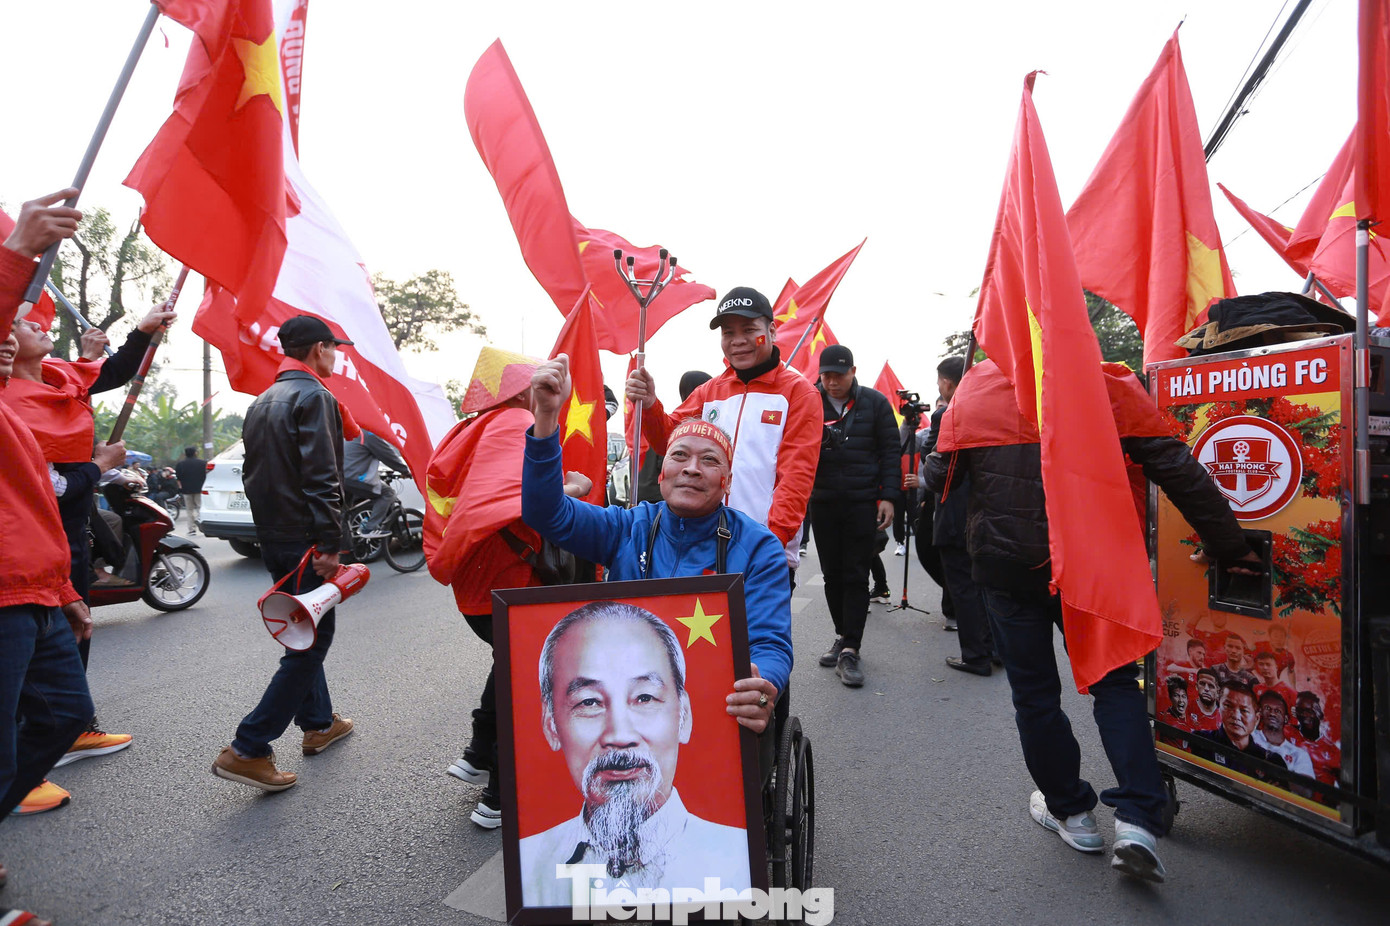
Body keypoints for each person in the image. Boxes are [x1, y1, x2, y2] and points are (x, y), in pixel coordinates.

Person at [923, 359, 1259, 884]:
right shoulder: (1104, 380)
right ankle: (1138, 821)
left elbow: (940, 478)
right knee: (1116, 683)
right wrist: (1229, 544)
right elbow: (1175, 465)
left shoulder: (977, 387)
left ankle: (1072, 814)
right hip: (1094, 564)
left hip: (1007, 566)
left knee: (1034, 693)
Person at [0, 249, 175, 801]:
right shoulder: (12, 400)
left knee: (66, 679)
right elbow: (43, 486)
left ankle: (62, 738)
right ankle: (20, 775)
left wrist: (143, 331)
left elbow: (107, 372)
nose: (33, 323)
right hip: (20, 555)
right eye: (23, 320)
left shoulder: (54, 376)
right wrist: (97, 467)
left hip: (54, 548)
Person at [0, 188, 97, 926]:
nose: (27, 329)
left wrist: (64, 586)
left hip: (33, 589)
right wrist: (15, 259)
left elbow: (36, 494)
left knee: (66, 715)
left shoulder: (17, 401)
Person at [517, 603, 752, 905]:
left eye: (644, 697)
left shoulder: (735, 859)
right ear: (551, 724)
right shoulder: (529, 863)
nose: (619, 736)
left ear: (683, 716)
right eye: (589, 702)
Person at [211, 315, 356, 792]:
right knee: (312, 641)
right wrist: (330, 543)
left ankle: (318, 722)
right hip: (306, 542)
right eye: (334, 348)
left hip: (275, 537)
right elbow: (323, 478)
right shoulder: (315, 397)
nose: (336, 356)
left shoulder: (263, 399)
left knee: (303, 632)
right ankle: (249, 747)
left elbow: (255, 477)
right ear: (318, 349)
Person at [625, 287, 821, 587]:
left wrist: (769, 543)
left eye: (749, 330)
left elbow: (796, 477)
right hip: (703, 545)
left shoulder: (799, 392)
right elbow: (667, 442)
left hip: (763, 551)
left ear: (771, 330)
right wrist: (651, 404)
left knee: (754, 635)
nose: (738, 341)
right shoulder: (709, 391)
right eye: (728, 333)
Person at [424, 347, 545, 829]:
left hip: (475, 585)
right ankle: (500, 794)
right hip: (510, 578)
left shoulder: (466, 428)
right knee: (526, 679)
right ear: (519, 390)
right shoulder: (514, 423)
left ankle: (477, 753)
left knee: (509, 662)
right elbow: (520, 496)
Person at [809, 344, 900, 687]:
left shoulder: (875, 403)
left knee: (856, 575)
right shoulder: (809, 401)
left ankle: (851, 648)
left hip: (863, 503)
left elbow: (891, 452)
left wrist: (889, 496)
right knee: (832, 574)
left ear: (853, 372)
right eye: (826, 375)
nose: (832, 382)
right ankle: (841, 634)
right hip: (823, 501)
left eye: (839, 375)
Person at [919, 355, 995, 674]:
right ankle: (994, 649)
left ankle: (976, 655)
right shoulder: (990, 410)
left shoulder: (947, 414)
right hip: (983, 509)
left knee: (962, 586)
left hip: (953, 510)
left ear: (947, 383)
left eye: (940, 382)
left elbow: (938, 468)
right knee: (982, 586)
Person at [1192, 680, 1288, 782]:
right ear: (1219, 707)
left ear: (1256, 718)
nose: (1236, 716)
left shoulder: (1270, 761)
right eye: (1228, 706)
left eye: (1244, 710)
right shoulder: (1200, 742)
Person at [343, 428, 410, 537]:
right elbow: (387, 455)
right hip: (355, 478)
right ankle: (369, 528)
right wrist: (405, 471)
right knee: (388, 493)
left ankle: (347, 547)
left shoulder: (351, 432)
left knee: (344, 514)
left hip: (341, 478)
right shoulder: (369, 434)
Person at [1250, 690, 1315, 790]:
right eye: (1267, 708)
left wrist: (1281, 784)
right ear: (1260, 712)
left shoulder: (1299, 754)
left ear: (1285, 719)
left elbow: (1307, 790)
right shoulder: (1249, 736)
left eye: (1277, 711)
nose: (1272, 713)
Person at [1288, 692, 1341, 789]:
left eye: (1309, 711)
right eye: (1300, 710)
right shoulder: (1287, 732)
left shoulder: (1332, 752)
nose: (1304, 715)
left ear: (1320, 714)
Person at [174, 445, 206, 534]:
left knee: (189, 510)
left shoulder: (180, 464)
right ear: (195, 453)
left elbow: (178, 478)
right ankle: (203, 527)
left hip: (186, 490)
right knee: (200, 507)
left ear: (185, 454)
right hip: (200, 489)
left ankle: (191, 529)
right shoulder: (203, 463)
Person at [1187, 668, 1223, 732]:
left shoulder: (1223, 717)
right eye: (1202, 684)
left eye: (1211, 686)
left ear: (1218, 691)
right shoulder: (1187, 708)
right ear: (1196, 686)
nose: (1206, 689)